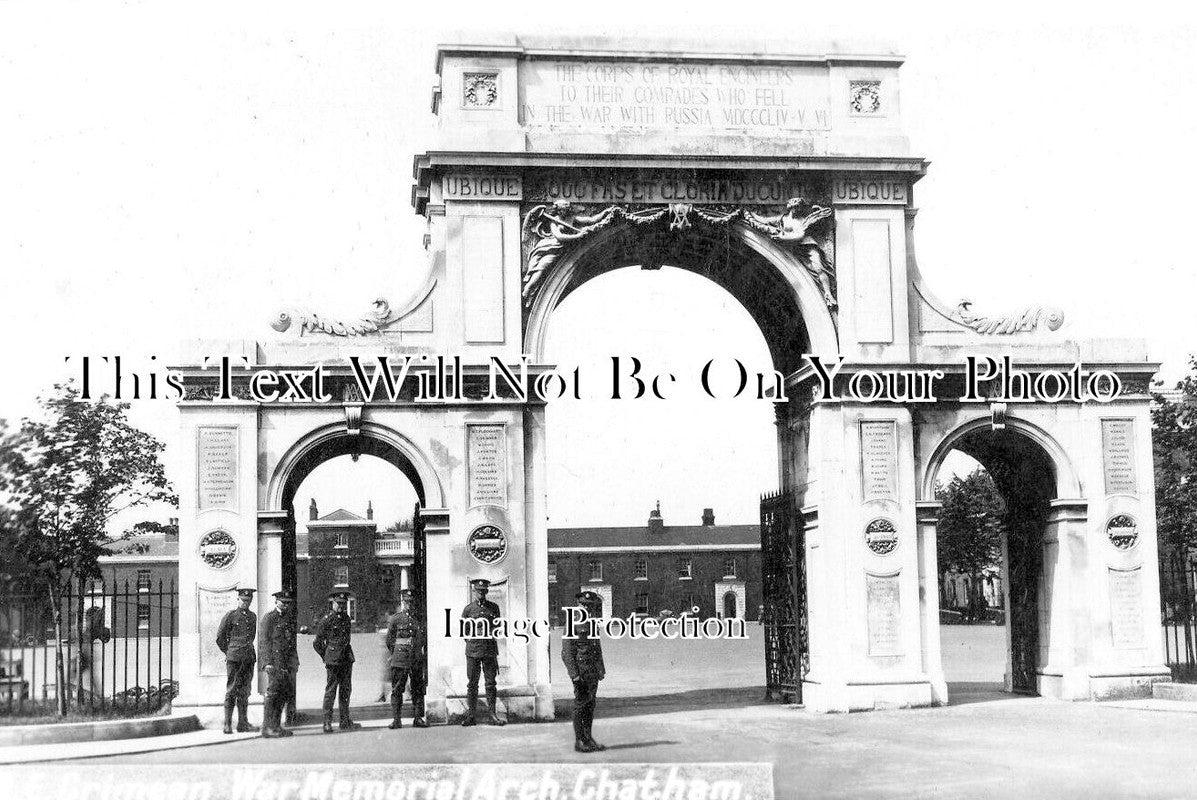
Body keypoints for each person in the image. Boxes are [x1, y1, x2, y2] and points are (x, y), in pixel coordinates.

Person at [562, 590, 606, 753]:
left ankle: (588, 738)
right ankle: (579, 740)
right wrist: (574, 675)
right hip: (581, 672)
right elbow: (566, 652)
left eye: (590, 606)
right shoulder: (572, 624)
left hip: (593, 671)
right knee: (581, 705)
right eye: (584, 606)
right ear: (578, 606)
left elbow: (597, 648)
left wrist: (601, 669)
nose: (587, 609)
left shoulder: (592, 623)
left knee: (590, 704)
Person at [313, 591, 360, 733]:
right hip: (333, 661)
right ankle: (327, 722)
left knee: (345, 691)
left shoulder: (346, 618)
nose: (341, 606)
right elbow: (317, 643)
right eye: (338, 603)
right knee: (331, 691)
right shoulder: (326, 620)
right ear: (332, 603)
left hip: (346, 659)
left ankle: (344, 721)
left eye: (343, 604)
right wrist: (326, 656)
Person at [460, 578, 505, 726]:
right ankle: (471, 716)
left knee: (491, 684)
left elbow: (498, 628)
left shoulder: (494, 608)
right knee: (472, 684)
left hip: (489, 651)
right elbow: (464, 632)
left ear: (487, 591)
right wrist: (475, 640)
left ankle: (492, 714)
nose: (481, 593)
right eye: (478, 591)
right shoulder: (468, 609)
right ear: (474, 591)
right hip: (473, 651)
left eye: (483, 591)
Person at [215, 587, 259, 734]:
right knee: (232, 689)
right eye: (243, 600)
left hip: (248, 658)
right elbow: (220, 638)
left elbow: (251, 636)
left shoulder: (253, 617)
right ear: (238, 599)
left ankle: (242, 723)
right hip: (234, 658)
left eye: (248, 600)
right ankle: (227, 725)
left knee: (245, 690)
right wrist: (229, 652)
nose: (246, 603)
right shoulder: (230, 616)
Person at [385, 589, 429, 729]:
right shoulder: (396, 619)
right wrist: (398, 652)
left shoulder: (419, 619)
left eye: (411, 602)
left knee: (417, 689)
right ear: (403, 602)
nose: (409, 604)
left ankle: (417, 718)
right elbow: (390, 640)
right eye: (407, 602)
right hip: (400, 659)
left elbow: (423, 639)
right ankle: (397, 720)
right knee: (397, 689)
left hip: (415, 659)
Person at [258, 589, 298, 738]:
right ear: (276, 602)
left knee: (283, 695)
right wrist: (267, 662)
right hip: (274, 664)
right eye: (283, 602)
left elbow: (291, 643)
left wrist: (294, 662)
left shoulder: (288, 618)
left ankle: (276, 726)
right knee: (273, 695)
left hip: (286, 664)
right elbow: (263, 642)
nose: (286, 605)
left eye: (288, 603)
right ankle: (267, 727)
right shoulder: (269, 618)